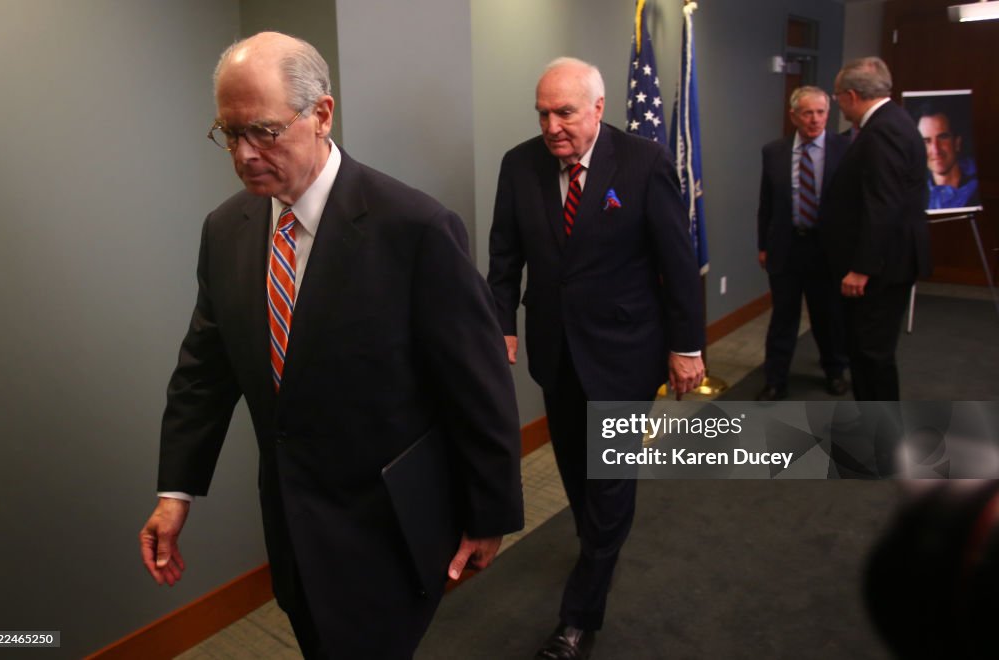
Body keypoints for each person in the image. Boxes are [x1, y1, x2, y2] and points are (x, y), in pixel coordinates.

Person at [138, 32, 524, 660]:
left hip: (389, 529)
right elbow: (205, 373)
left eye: (263, 131)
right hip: (292, 527)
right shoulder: (226, 231)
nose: (243, 155)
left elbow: (477, 386)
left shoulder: (415, 229)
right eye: (228, 134)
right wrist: (175, 492)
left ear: (321, 115)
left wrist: (490, 512)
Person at [487, 57, 705, 659]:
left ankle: (577, 619)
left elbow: (677, 264)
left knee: (609, 481)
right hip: (556, 354)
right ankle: (597, 544)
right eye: (543, 113)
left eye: (565, 112)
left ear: (599, 108)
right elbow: (504, 257)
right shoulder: (519, 165)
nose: (552, 125)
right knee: (578, 472)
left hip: (626, 355)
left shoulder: (644, 163)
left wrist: (686, 347)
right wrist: (500, 323)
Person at [821, 57, 931, 402]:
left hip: (880, 269)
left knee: (872, 356)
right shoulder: (894, 122)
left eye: (837, 95)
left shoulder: (883, 131)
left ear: (851, 95)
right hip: (886, 264)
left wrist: (861, 268)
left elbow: (883, 205)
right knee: (865, 354)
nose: (837, 102)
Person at [756, 85, 849, 401]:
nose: (815, 119)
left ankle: (835, 371)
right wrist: (763, 245)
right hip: (787, 246)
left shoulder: (844, 149)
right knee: (783, 317)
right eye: (807, 113)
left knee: (828, 315)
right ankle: (775, 380)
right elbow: (766, 203)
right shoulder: (774, 152)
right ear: (794, 115)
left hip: (827, 249)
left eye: (821, 112)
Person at [913, 101, 981, 210]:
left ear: (957, 143)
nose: (935, 149)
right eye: (926, 141)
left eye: (943, 137)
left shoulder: (979, 189)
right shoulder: (914, 196)